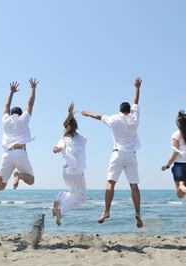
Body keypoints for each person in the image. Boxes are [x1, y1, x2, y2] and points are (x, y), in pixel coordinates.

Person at [81, 77, 143, 228]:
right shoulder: (135, 118)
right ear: (129, 111)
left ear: (119, 110)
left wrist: (87, 113)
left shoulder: (114, 119)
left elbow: (99, 116)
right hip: (131, 155)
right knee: (134, 186)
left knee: (110, 183)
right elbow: (136, 102)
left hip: (117, 154)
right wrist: (137, 88)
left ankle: (106, 211)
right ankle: (137, 213)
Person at [0, 79, 38, 190]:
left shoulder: (5, 120)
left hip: (7, 154)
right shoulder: (24, 120)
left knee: (0, 186)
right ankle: (19, 175)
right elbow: (30, 104)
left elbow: (6, 105)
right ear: (21, 114)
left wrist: (11, 92)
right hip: (20, 153)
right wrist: (33, 89)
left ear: (11, 114)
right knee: (31, 180)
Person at [52, 103, 87, 226]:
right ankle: (60, 210)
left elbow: (60, 146)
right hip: (76, 172)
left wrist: (58, 149)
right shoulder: (82, 139)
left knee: (72, 192)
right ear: (76, 127)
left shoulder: (64, 138)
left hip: (65, 171)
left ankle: (59, 198)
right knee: (81, 197)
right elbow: (73, 145)